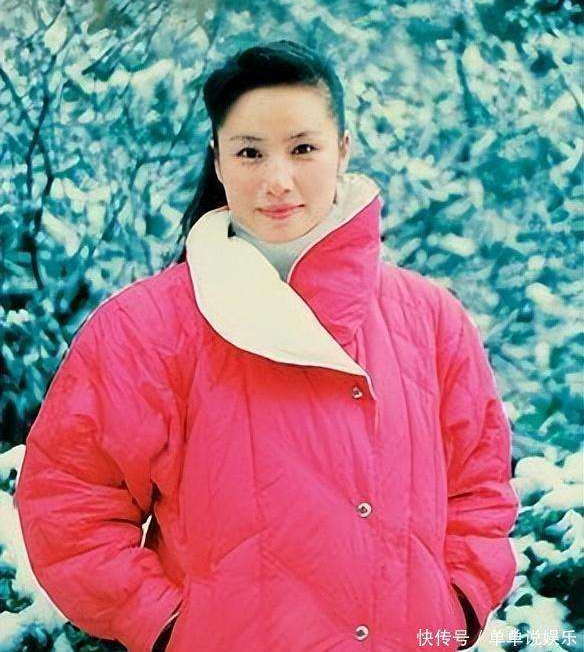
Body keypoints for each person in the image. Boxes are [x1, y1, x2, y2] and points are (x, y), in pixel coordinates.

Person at [14, 40, 519, 652]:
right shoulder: (144, 328)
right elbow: (69, 503)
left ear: (343, 150)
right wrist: (168, 626)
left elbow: (480, 487)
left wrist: (456, 605)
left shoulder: (429, 319)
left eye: (303, 148)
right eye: (250, 152)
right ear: (218, 160)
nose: (278, 181)